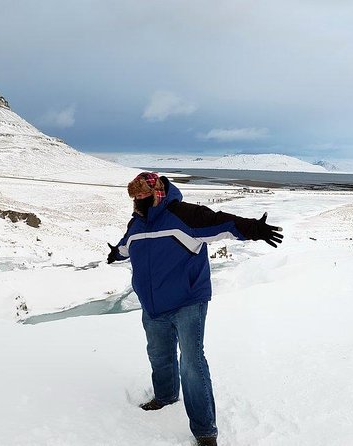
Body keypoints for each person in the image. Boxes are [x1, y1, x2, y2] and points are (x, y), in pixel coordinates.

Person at [107, 172, 283, 446]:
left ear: (158, 193)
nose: (139, 200)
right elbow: (125, 246)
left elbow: (221, 222)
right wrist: (115, 253)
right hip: (153, 306)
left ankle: (204, 431)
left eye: (144, 194)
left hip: (188, 301)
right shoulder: (136, 224)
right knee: (159, 355)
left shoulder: (184, 215)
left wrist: (253, 229)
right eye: (136, 196)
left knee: (191, 362)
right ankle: (165, 397)